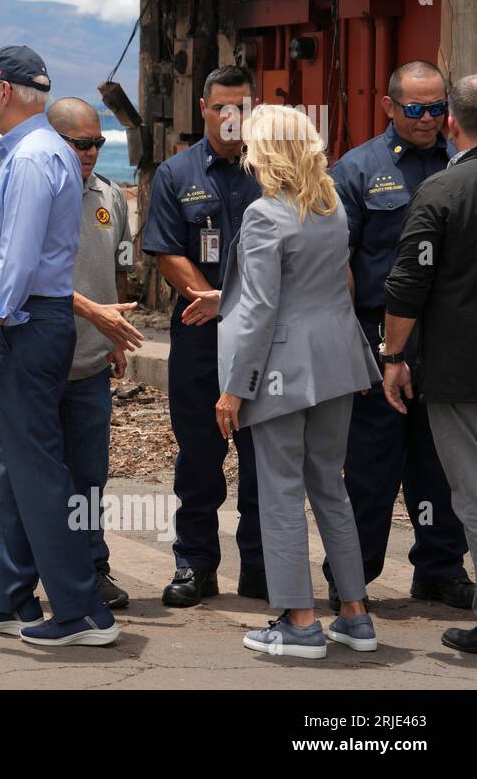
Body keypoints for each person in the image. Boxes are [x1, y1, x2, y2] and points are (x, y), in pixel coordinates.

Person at [0, 46, 120, 646]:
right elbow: (8, 253)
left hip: (26, 323)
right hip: (34, 319)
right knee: (19, 470)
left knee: (39, 470)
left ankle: (80, 611)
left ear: (5, 89)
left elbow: (16, 262)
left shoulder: (34, 157)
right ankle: (12, 596)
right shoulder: (40, 152)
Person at [215, 105, 380, 659]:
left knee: (281, 490)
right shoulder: (331, 206)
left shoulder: (265, 213)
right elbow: (317, 285)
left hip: (282, 369)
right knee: (329, 483)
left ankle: (299, 622)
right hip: (337, 360)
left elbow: (262, 308)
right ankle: (355, 614)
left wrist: (235, 386)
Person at [328, 60, 474, 611]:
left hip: (443, 339)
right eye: (415, 109)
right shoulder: (358, 169)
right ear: (389, 106)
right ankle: (353, 576)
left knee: (439, 464)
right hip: (376, 333)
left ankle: (439, 567)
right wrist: (355, 342)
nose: (427, 119)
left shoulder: (461, 162)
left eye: (438, 108)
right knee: (371, 466)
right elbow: (336, 260)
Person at [141, 65, 266, 606]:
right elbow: (169, 252)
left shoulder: (274, 171)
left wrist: (240, 308)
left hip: (265, 339)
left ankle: (262, 569)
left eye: (241, 108)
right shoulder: (176, 173)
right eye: (222, 108)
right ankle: (195, 565)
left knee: (264, 457)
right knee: (198, 456)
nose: (231, 117)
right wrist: (217, 307)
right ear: (206, 110)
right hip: (200, 337)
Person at [381, 73, 477, 654]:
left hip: (461, 375)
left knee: (471, 495)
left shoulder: (443, 192)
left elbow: (408, 282)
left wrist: (394, 355)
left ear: (451, 122)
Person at [48, 97, 144, 610]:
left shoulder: (110, 198)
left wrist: (117, 336)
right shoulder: (35, 192)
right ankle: (27, 575)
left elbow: (120, 271)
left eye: (97, 143)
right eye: (80, 143)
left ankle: (93, 567)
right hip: (38, 363)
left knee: (89, 475)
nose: (90, 152)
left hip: (90, 363)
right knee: (34, 476)